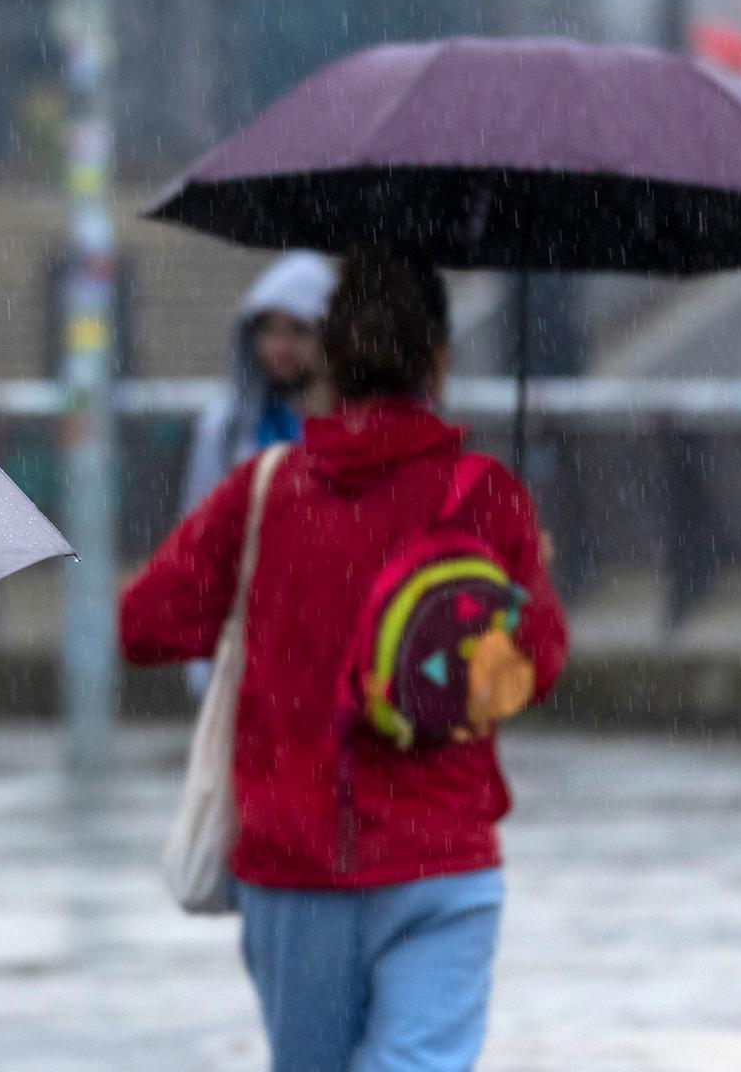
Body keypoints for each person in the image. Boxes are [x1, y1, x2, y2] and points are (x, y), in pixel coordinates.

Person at [120, 247, 567, 1072]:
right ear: (439, 356)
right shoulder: (489, 496)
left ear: (331, 356)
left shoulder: (265, 489)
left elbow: (143, 627)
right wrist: (512, 592)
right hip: (445, 858)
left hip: (295, 868)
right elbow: (535, 670)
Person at [179, 251, 336, 516]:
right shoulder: (227, 429)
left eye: (298, 330)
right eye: (268, 329)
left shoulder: (358, 426)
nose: (280, 348)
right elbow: (198, 530)